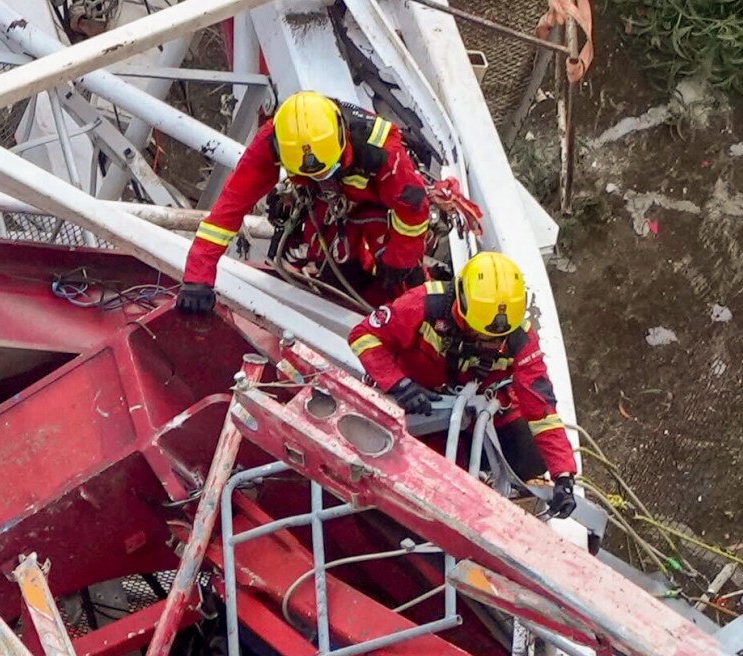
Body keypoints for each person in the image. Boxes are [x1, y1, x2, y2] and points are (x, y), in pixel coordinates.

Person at [347, 254, 579, 511]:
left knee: (529, 455)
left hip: (475, 409)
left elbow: (542, 411)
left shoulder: (520, 340)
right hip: (415, 400)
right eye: (481, 335)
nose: (491, 344)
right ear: (461, 305)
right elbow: (364, 336)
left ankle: (485, 487)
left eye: (498, 338)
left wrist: (564, 476)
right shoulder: (423, 304)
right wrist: (399, 385)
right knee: (407, 468)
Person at [181, 89, 436, 313]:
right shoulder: (273, 140)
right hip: (327, 212)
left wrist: (399, 261)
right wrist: (197, 278)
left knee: (405, 285)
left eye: (326, 172)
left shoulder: (379, 147)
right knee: (332, 265)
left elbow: (412, 210)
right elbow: (227, 212)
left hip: (379, 212)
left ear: (341, 137)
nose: (323, 178)